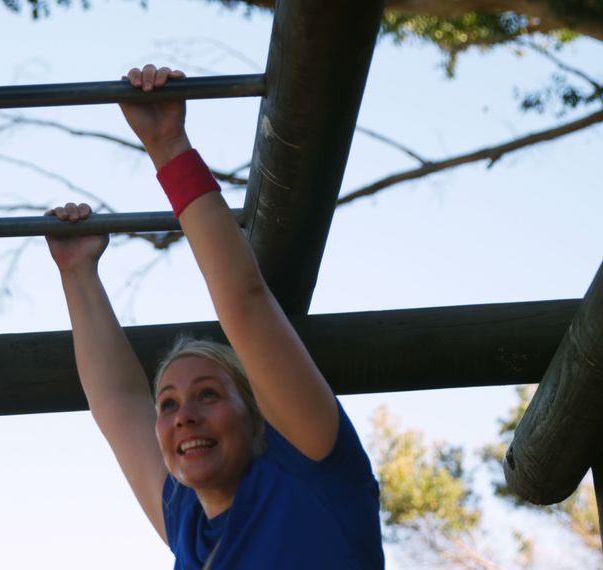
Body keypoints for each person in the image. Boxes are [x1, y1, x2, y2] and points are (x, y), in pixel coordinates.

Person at [44, 65, 384, 569]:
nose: (183, 416)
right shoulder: (188, 523)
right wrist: (77, 273)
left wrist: (167, 145)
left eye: (208, 394)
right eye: (168, 403)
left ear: (258, 417)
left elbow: (244, 303)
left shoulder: (311, 469)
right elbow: (116, 402)